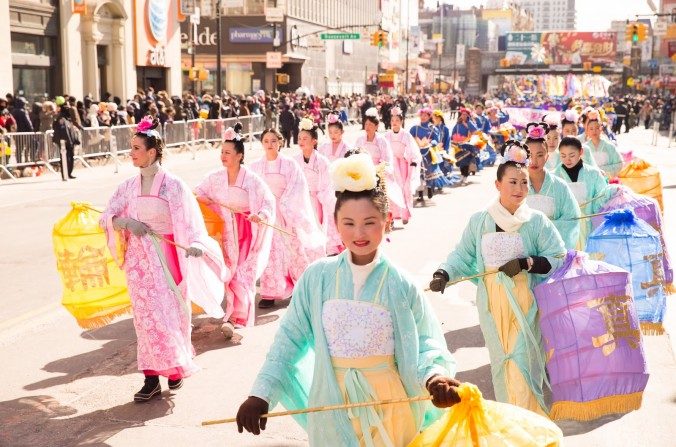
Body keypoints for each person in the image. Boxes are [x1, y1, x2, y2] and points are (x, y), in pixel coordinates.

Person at [237, 152, 459, 445]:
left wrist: (435, 378)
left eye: (369, 222)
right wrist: (261, 394)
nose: (359, 233)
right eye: (349, 223)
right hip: (332, 404)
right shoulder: (317, 278)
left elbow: (426, 343)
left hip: (389, 407)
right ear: (335, 223)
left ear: (387, 220)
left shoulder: (401, 284)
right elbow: (288, 341)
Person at [429, 141, 565, 416]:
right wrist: (444, 273)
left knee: (523, 366)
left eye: (524, 183)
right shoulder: (480, 221)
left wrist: (528, 263)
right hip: (492, 305)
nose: (519, 189)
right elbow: (462, 254)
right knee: (502, 366)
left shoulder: (536, 221)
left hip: (527, 306)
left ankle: (528, 427)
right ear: (498, 184)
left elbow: (559, 257)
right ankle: (508, 424)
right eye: (513, 182)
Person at [100, 116, 228, 401]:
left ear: (152, 152)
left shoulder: (174, 186)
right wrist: (122, 223)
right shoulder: (127, 187)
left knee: (167, 316)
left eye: (136, 148)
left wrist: (196, 244)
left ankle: (173, 369)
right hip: (138, 263)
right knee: (145, 320)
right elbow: (105, 216)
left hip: (166, 259)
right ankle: (150, 378)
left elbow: (193, 223)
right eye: (131, 148)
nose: (131, 153)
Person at [195, 124, 276, 338]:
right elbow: (199, 192)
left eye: (228, 152)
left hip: (245, 231)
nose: (223, 156)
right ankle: (232, 314)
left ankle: (236, 318)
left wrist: (260, 215)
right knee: (228, 275)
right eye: (222, 152)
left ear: (240, 156)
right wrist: (207, 200)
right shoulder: (215, 177)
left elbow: (267, 201)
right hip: (225, 234)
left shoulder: (251, 179)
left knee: (241, 274)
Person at [250, 128, 326, 309]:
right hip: (267, 214)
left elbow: (297, 187)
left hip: (286, 212)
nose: (270, 144)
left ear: (280, 142)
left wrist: (284, 206)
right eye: (266, 141)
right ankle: (270, 292)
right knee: (270, 253)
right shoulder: (255, 167)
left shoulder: (290, 165)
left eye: (273, 141)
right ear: (262, 143)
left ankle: (300, 288)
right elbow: (252, 189)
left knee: (294, 251)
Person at [524, 123, 581, 250]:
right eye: (529, 155)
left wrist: (544, 232)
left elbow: (571, 219)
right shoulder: (517, 185)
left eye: (539, 155)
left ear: (547, 157)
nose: (534, 161)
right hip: (524, 253)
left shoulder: (559, 186)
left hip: (553, 250)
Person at [295, 117, 342, 255]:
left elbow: (327, 185)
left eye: (305, 138)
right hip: (303, 200)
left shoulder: (322, 161)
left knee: (322, 227)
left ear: (314, 141)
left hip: (320, 199)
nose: (301, 142)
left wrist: (322, 199)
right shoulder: (295, 161)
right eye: (299, 139)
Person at [552, 137, 609, 250]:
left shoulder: (594, 174)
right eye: (563, 156)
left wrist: (611, 191)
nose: (567, 159)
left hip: (588, 226)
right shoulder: (554, 176)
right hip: (564, 229)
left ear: (581, 152)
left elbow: (602, 198)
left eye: (572, 155)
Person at [355, 108, 408, 220]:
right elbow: (354, 155)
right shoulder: (360, 139)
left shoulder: (381, 141)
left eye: (370, 124)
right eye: (366, 124)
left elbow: (387, 159)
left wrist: (378, 169)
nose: (367, 127)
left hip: (377, 172)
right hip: (362, 172)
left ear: (376, 126)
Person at [384, 106, 422, 224]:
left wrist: (412, 162)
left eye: (397, 121)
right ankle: (393, 215)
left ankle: (405, 214)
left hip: (403, 165)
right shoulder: (387, 136)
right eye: (392, 121)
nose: (394, 123)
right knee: (392, 189)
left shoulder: (406, 135)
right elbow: (384, 150)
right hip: (391, 165)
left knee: (404, 188)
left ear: (401, 122)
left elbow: (413, 150)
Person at [582, 110, 623, 178]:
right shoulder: (584, 147)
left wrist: (603, 170)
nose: (594, 131)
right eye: (591, 129)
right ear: (587, 130)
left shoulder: (609, 146)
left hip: (608, 180)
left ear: (601, 129)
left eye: (597, 128)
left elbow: (619, 164)